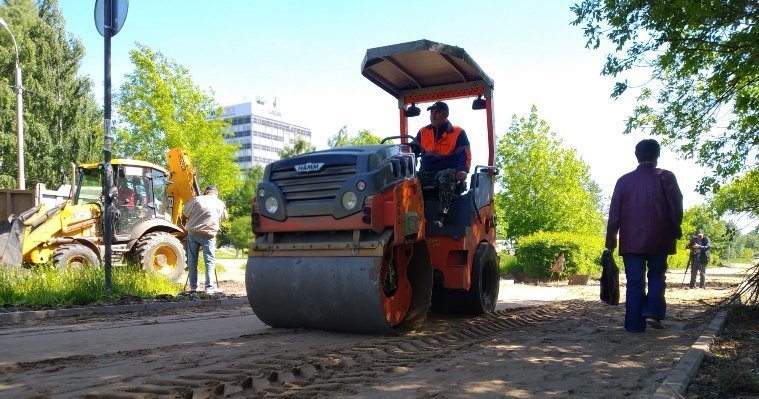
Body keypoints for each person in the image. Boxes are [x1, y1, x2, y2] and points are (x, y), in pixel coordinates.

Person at [605, 139, 683, 332]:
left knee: (634, 282)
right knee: (657, 275)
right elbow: (676, 206)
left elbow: (614, 213)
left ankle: (633, 325)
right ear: (657, 155)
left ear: (636, 155)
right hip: (660, 238)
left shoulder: (623, 181)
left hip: (631, 241)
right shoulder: (666, 177)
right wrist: (675, 228)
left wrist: (611, 240)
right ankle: (653, 313)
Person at [410, 101, 471, 227]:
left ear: (446, 115)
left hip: (448, 171)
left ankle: (441, 217)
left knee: (446, 175)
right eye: (431, 112)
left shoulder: (458, 132)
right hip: (427, 173)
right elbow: (413, 150)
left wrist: (462, 170)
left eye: (437, 112)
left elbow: (464, 154)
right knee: (408, 179)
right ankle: (416, 215)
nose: (433, 115)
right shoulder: (423, 132)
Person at [182, 185, 227, 293]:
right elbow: (223, 218)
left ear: (206, 192)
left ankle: (194, 287)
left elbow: (185, 213)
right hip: (209, 235)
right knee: (209, 261)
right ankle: (209, 287)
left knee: (192, 261)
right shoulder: (220, 203)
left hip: (193, 233)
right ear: (216, 193)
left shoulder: (196, 199)